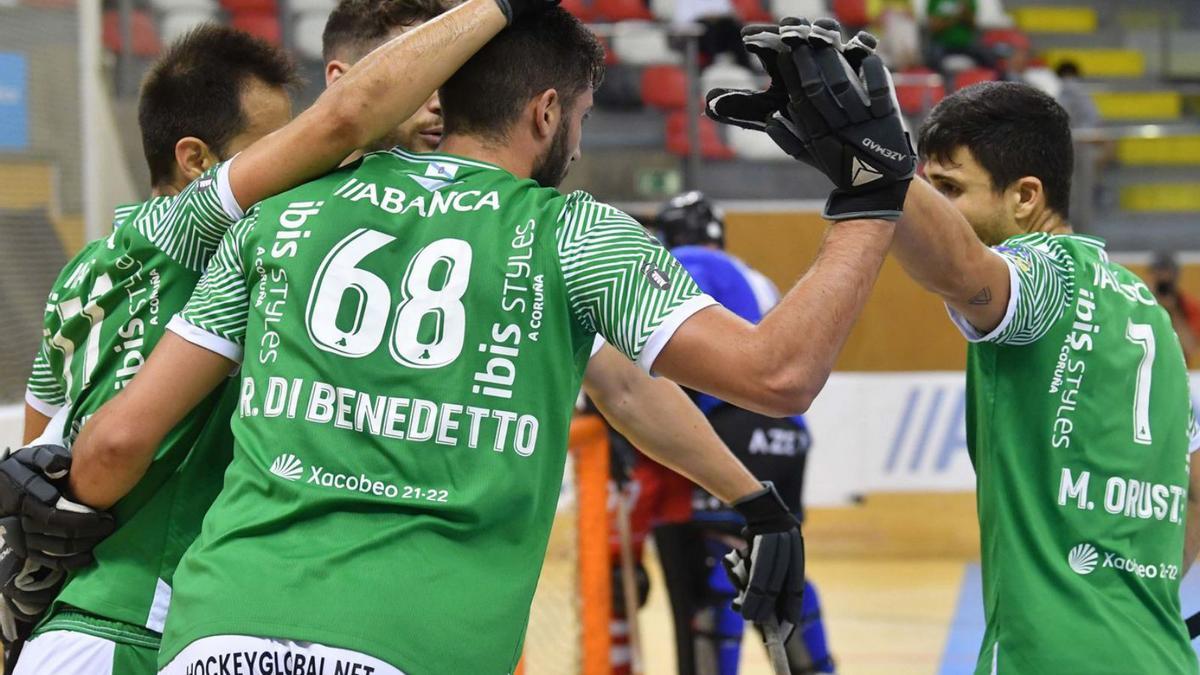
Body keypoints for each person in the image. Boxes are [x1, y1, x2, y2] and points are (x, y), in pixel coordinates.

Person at [61, 8, 911, 674]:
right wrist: (870, 190)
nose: (576, 141)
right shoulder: (568, 234)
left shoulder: (281, 214)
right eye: (577, 117)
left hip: (214, 636)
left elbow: (111, 448)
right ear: (547, 112)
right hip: (411, 645)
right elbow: (778, 372)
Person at [5, 1, 555, 671]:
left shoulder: (87, 268)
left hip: (58, 622)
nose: (295, 160)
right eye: (271, 144)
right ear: (196, 161)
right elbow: (338, 122)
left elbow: (37, 455)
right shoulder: (204, 229)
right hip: (140, 625)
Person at [714, 21, 1200, 673]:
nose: (931, 206)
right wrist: (1150, 598)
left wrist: (872, 173)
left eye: (948, 189)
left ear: (1027, 197)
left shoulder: (1045, 271)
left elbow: (969, 274)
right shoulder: (1143, 311)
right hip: (1158, 653)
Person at [654, 191, 835, 675]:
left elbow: (660, 349)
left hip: (735, 422)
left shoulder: (685, 262)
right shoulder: (753, 276)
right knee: (775, 564)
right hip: (788, 434)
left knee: (724, 558)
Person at [1150, 251, 1200, 366]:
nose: (1163, 279)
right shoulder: (1141, 303)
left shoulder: (1189, 306)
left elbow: (1190, 348)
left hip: (1180, 369)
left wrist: (1173, 311)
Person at [924, 0, 994, 76]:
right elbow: (933, 26)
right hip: (942, 44)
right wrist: (955, 16)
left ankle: (999, 83)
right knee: (932, 60)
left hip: (966, 44)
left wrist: (964, 11)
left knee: (989, 58)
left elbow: (973, 24)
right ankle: (945, 85)